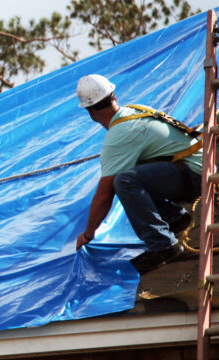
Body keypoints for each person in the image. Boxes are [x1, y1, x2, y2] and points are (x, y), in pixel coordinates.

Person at [74, 74, 202, 273]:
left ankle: (163, 245)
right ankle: (175, 218)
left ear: (90, 112)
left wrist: (88, 235)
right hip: (199, 167)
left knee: (124, 181)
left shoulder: (119, 136)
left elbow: (103, 196)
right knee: (130, 171)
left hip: (194, 175)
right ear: (114, 97)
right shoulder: (135, 110)